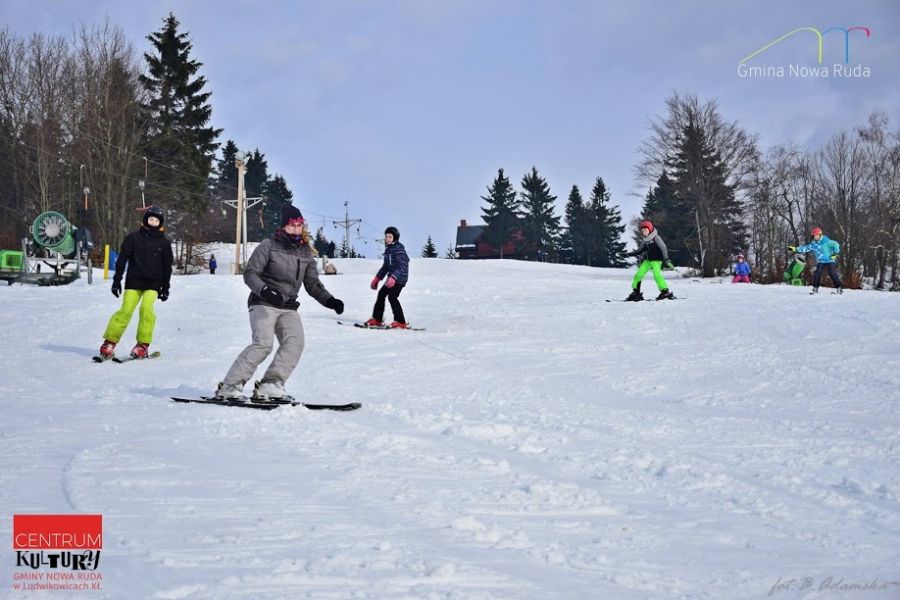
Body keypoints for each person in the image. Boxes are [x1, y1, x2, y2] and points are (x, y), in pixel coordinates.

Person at [215, 204, 345, 400]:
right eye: (292, 225)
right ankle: (229, 386)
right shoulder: (268, 245)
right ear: (284, 226)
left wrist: (330, 301)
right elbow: (250, 274)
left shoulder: (305, 253)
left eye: (299, 225)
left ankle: (271, 384)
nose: (296, 229)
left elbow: (312, 284)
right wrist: (265, 291)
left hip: (288, 306)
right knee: (263, 344)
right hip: (263, 302)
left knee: (295, 343)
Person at [98, 205, 173, 359]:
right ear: (145, 220)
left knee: (146, 309)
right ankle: (109, 342)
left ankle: (142, 345)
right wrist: (117, 281)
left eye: (156, 221)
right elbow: (122, 260)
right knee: (125, 310)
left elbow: (167, 267)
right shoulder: (133, 238)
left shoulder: (164, 243)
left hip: (153, 284)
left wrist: (165, 287)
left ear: (160, 223)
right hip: (134, 281)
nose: (153, 223)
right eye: (151, 219)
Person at [364, 226, 410, 327]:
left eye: (390, 237)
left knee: (392, 296)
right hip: (391, 279)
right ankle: (377, 319)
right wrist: (377, 278)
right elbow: (385, 267)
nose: (387, 239)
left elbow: (402, 265)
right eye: (386, 237)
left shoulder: (399, 249)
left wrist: (394, 277)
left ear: (395, 238)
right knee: (381, 294)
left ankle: (401, 322)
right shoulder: (388, 250)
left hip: (400, 278)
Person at [624, 221, 675, 301]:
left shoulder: (656, 238)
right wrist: (628, 254)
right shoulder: (645, 240)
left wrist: (666, 259)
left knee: (657, 275)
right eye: (642, 231)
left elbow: (663, 248)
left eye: (645, 230)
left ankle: (665, 292)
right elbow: (639, 250)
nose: (644, 232)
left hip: (656, 261)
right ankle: (636, 293)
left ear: (650, 229)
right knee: (638, 275)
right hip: (647, 261)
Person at [788, 227, 842, 294]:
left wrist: (835, 254)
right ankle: (815, 288)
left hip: (830, 260)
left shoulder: (826, 241)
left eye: (817, 235)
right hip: (821, 261)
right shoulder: (813, 244)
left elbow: (836, 244)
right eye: (814, 235)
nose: (816, 237)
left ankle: (839, 288)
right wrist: (795, 249)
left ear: (820, 235)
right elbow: (806, 248)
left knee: (832, 273)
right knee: (817, 273)